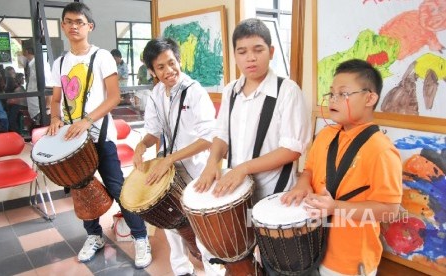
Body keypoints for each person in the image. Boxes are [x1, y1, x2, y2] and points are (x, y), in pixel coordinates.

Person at [47, 2, 151, 268]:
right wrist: (55, 118)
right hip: (72, 141)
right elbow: (56, 98)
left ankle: (140, 237)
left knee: (117, 187)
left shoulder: (101, 56)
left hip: (100, 134)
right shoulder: (59, 62)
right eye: (68, 21)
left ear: (89, 26)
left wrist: (87, 121)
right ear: (62, 26)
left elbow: (114, 96)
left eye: (79, 22)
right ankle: (94, 236)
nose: (73, 26)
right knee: (82, 190)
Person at [281, 59, 403, 276]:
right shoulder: (325, 135)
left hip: (350, 261)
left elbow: (389, 212)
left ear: (370, 98)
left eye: (343, 93)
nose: (333, 99)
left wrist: (335, 207)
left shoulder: (381, 150)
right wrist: (302, 184)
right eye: (331, 93)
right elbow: (308, 171)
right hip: (313, 246)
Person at [194, 18, 311, 203]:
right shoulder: (230, 90)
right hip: (236, 191)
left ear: (271, 52)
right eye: (242, 52)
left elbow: (292, 149)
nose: (251, 58)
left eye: (258, 50)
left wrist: (244, 168)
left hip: (275, 194)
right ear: (234, 55)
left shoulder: (288, 90)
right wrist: (211, 162)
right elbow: (222, 134)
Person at [133, 37, 223, 276]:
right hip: (171, 170)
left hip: (197, 170)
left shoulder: (195, 92)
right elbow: (152, 131)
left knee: (203, 230)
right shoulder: (156, 94)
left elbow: (209, 138)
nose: (169, 71)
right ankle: (182, 270)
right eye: (161, 67)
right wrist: (141, 145)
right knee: (172, 224)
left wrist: (169, 159)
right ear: (152, 71)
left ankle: (214, 273)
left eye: (172, 63)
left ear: (179, 60)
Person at [21, 39, 53, 125]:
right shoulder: (32, 64)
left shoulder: (39, 64)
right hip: (36, 110)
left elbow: (50, 86)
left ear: (26, 51)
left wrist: (47, 108)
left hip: (41, 110)